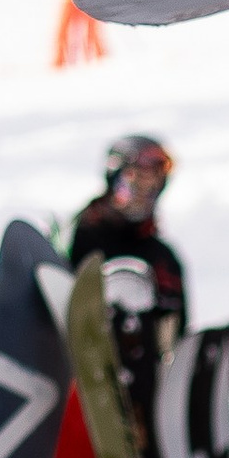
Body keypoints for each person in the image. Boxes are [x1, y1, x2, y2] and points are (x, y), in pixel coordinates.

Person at [69, 133, 187, 332]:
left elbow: (177, 334)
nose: (143, 193)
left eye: (151, 185)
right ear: (115, 179)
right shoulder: (77, 237)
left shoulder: (164, 259)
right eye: (136, 181)